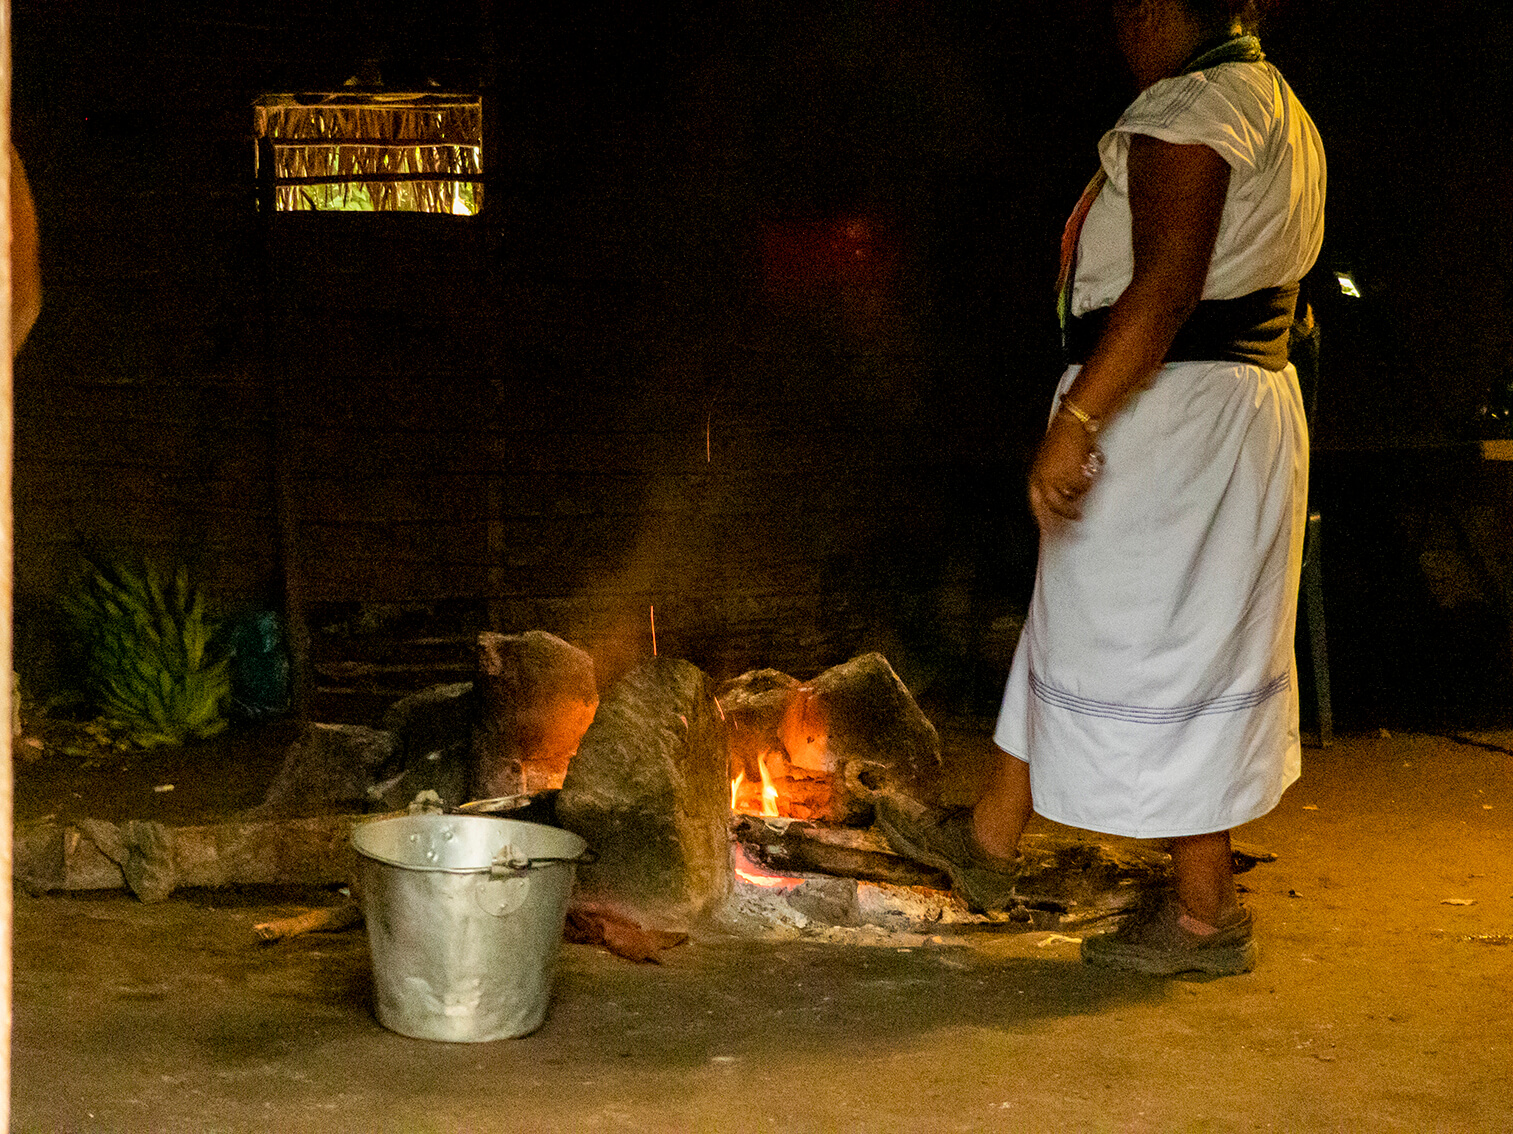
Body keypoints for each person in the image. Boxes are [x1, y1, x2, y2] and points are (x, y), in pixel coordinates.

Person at [881, 0, 1324, 975]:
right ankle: (993, 841)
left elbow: (1165, 285)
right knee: (1089, 622)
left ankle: (1206, 918)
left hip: (1170, 417)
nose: (1121, 25)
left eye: (1134, 8)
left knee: (1162, 656)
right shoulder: (1272, 102)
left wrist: (1080, 417)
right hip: (1224, 412)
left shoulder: (1200, 107)